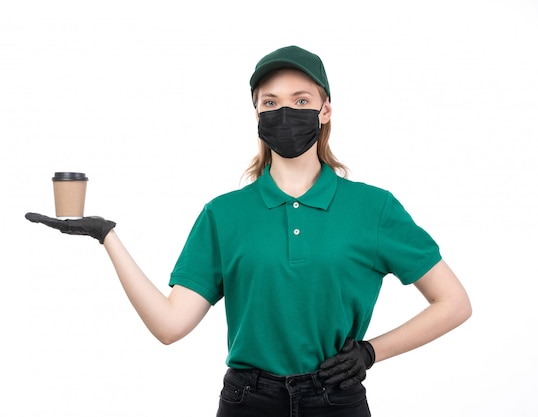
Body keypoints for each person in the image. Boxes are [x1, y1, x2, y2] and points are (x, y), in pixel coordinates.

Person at [25, 45, 472, 416]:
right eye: (270, 103)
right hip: (247, 402)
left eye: (301, 100)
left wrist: (371, 352)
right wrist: (108, 238)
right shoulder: (224, 214)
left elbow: (453, 303)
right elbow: (169, 325)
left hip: (336, 401)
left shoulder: (373, 208)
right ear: (256, 113)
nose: (285, 112)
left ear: (325, 109)